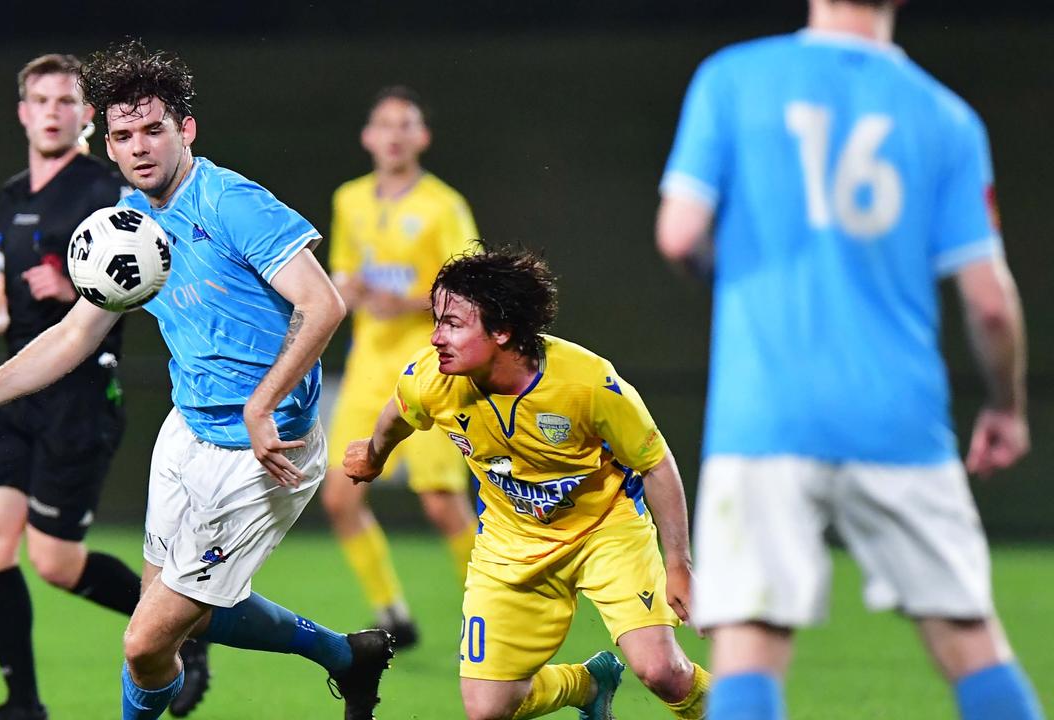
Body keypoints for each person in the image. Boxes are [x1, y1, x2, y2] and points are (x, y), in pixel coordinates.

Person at [0, 41, 393, 720]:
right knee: (188, 618)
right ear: (110, 143)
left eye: (154, 129)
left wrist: (262, 403)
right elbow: (71, 334)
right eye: (123, 135)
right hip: (187, 438)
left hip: (264, 451)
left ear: (185, 129)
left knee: (143, 641)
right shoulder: (129, 224)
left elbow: (323, 303)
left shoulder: (231, 202)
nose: (139, 147)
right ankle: (347, 656)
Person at [656, 1, 1044, 718]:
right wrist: (1005, 407)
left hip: (764, 414)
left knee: (749, 647)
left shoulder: (733, 78)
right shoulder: (947, 118)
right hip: (901, 419)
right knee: (970, 640)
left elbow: (681, 234)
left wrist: (740, 278)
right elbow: (990, 302)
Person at [0, 52, 208, 720]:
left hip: (79, 392)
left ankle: (187, 633)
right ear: (23, 112)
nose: (54, 113)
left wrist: (80, 288)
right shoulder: (12, 195)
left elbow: (151, 271)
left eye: (67, 101)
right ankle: (23, 703)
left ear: (86, 118)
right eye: (42, 100)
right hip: (14, 389)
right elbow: (4, 288)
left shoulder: (106, 188)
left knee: (57, 564)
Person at [344, 249, 710, 720]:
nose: (436, 337)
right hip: (508, 544)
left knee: (663, 672)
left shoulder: (588, 383)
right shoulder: (432, 378)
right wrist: (374, 456)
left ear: (502, 331)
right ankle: (588, 684)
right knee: (487, 710)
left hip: (605, 531)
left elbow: (656, 465)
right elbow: (398, 412)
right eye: (436, 321)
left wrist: (677, 563)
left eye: (453, 323)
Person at [322, 86, 480, 647]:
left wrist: (411, 302)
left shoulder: (444, 205)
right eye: (383, 124)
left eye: (405, 125)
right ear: (368, 137)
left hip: (434, 366)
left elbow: (469, 284)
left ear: (422, 138)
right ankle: (391, 610)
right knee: (340, 495)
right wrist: (351, 289)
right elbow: (342, 273)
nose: (393, 134)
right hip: (368, 366)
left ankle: (490, 616)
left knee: (442, 505)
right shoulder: (349, 199)